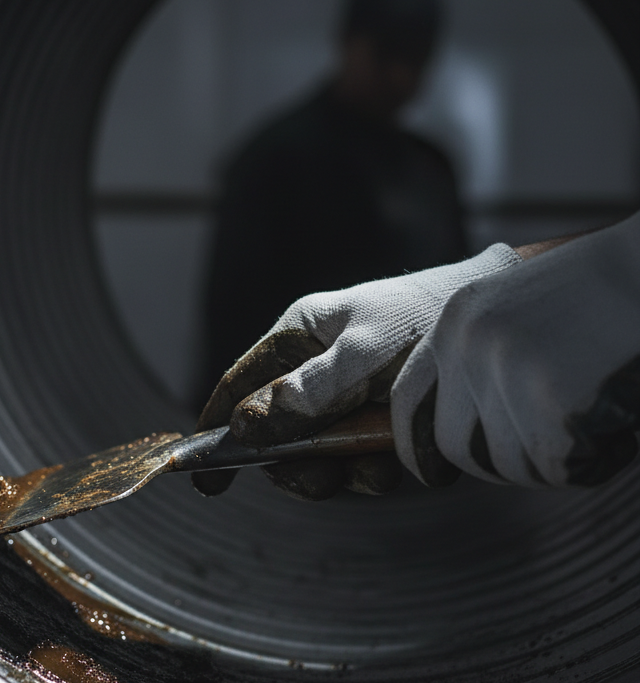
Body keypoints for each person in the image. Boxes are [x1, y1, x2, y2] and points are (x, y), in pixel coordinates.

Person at [191, 211, 640, 502]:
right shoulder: (273, 158)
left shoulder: (425, 161)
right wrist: (488, 280)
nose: (405, 76)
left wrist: (613, 296)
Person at [198, 0, 464, 404]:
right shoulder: (274, 160)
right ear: (347, 42)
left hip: (408, 411)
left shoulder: (431, 167)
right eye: (387, 54)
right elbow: (232, 324)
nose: (401, 76)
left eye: (415, 60)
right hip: (288, 415)